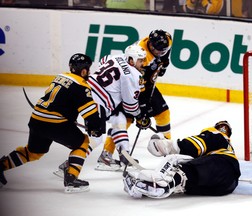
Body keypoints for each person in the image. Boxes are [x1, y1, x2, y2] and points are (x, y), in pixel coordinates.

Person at [0, 53, 106, 193]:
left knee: (33, 151)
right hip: (55, 124)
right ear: (84, 70)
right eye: (88, 69)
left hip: (36, 120)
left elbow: (60, 101)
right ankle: (71, 179)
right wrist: (95, 128)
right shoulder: (81, 86)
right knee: (82, 142)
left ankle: (2, 166)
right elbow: (90, 114)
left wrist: (70, 116)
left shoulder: (60, 77)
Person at [54, 44, 148, 175]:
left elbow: (103, 60)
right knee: (96, 138)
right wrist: (140, 115)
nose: (143, 63)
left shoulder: (116, 57)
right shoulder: (133, 76)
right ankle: (69, 165)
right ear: (131, 60)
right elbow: (130, 105)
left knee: (119, 119)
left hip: (86, 90)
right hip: (100, 101)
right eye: (141, 60)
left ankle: (121, 156)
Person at [95, 29, 173, 171]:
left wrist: (163, 65)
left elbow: (164, 56)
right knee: (126, 120)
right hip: (135, 87)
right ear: (150, 45)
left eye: (162, 51)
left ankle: (167, 147)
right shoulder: (143, 60)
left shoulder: (163, 45)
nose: (159, 53)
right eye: (156, 50)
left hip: (147, 86)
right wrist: (141, 112)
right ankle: (106, 155)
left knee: (163, 113)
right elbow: (136, 87)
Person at [123, 120, 241, 198]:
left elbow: (197, 145)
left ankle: (160, 185)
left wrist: (171, 147)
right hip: (226, 186)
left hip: (223, 165)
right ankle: (148, 186)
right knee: (188, 178)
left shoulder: (217, 137)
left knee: (176, 162)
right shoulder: (226, 148)